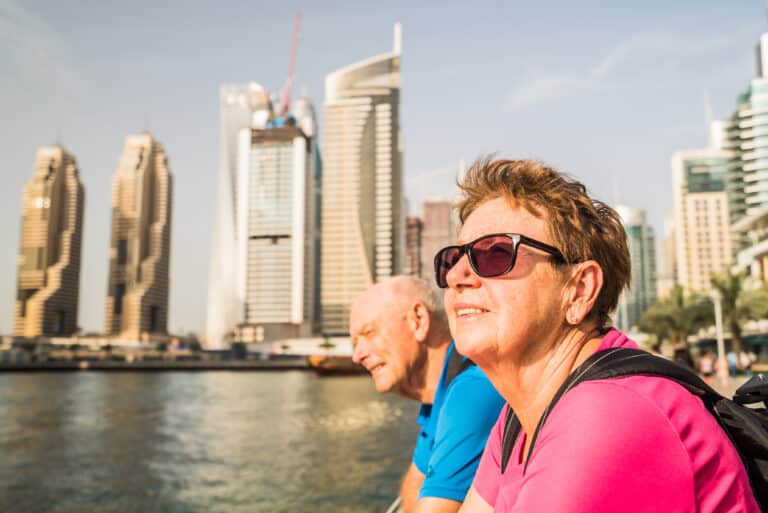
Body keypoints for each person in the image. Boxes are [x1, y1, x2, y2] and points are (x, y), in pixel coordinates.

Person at [432, 159, 760, 512]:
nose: (456, 276)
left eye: (496, 253)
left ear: (579, 290)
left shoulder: (610, 414)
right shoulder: (519, 421)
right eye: (453, 259)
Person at [350, 276, 504, 513]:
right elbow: (416, 483)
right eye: (354, 342)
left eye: (369, 333)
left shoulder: (472, 389)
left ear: (418, 320)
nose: (357, 355)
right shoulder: (438, 399)